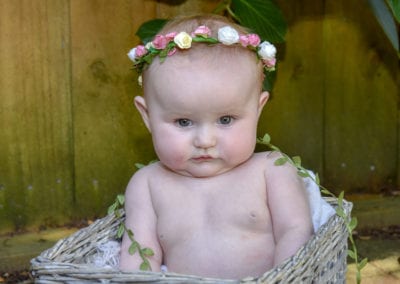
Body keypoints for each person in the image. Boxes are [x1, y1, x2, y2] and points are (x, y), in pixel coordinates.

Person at [120, 14, 313, 280]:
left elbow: (296, 231)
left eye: (225, 120)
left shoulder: (271, 171)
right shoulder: (147, 185)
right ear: (147, 116)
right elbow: (139, 256)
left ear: (258, 109)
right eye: (184, 122)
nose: (205, 140)